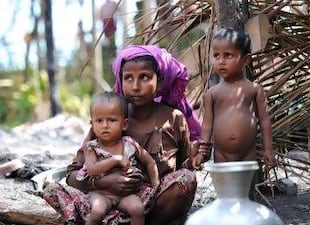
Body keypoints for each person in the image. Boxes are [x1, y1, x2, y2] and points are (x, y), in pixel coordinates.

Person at [43, 45, 210, 225]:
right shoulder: (108, 119)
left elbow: (182, 168)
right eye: (128, 78)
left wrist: (194, 159)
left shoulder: (173, 118)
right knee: (52, 190)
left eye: (144, 77)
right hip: (103, 204)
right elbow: (73, 174)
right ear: (120, 81)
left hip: (150, 206)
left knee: (186, 179)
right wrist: (104, 182)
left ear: (159, 81)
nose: (135, 86)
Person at [196, 28, 277, 196]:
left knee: (247, 194)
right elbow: (207, 124)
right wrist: (203, 150)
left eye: (228, 55)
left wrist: (269, 150)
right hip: (221, 153)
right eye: (216, 56)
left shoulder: (254, 90)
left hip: (247, 152)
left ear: (246, 60)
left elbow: (264, 121)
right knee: (225, 195)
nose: (221, 61)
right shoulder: (212, 93)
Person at [81, 91, 159, 225]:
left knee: (137, 209)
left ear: (124, 124)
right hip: (101, 194)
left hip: (125, 195)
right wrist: (116, 159)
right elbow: (92, 170)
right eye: (99, 120)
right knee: (97, 212)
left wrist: (156, 185)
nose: (105, 125)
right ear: (92, 124)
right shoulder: (91, 147)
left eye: (111, 120)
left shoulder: (130, 144)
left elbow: (150, 162)